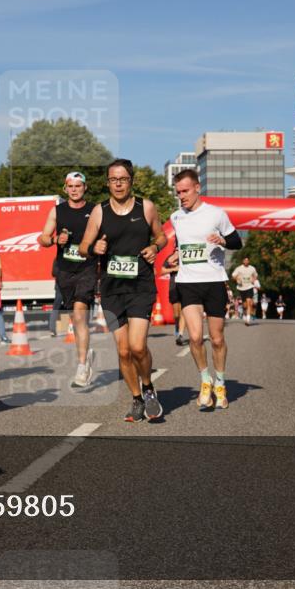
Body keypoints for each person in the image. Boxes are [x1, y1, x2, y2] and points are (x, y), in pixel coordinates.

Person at [79, 159, 167, 422]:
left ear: (131, 180)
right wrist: (94, 248)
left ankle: (149, 388)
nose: (118, 184)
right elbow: (83, 245)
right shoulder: (99, 211)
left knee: (138, 346)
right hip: (111, 289)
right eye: (113, 179)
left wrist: (155, 247)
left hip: (140, 285)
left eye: (123, 179)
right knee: (123, 351)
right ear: (108, 182)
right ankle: (137, 399)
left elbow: (161, 236)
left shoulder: (146, 207)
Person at [164, 169, 242, 412]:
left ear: (198, 188)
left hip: (214, 282)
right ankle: (205, 380)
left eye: (185, 191)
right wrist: (175, 254)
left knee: (217, 339)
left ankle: (220, 382)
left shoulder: (216, 214)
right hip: (188, 283)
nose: (181, 196)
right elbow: (180, 243)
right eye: (178, 192)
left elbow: (237, 241)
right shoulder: (176, 217)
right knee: (195, 337)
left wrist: (223, 241)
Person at [39, 172, 98, 385]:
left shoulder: (94, 210)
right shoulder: (57, 211)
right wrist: (55, 239)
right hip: (65, 271)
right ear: (66, 188)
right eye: (70, 186)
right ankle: (87, 354)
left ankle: (81, 367)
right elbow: (43, 238)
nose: (74, 189)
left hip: (87, 268)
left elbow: (105, 234)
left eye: (78, 186)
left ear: (85, 187)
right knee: (75, 317)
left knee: (80, 314)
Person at [162, 249, 188, 346]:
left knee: (183, 311)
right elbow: (162, 270)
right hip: (174, 287)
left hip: (185, 286)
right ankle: (177, 328)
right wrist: (173, 269)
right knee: (176, 314)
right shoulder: (171, 257)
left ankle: (180, 334)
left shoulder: (187, 255)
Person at [231, 257, 258, 325]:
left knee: (249, 303)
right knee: (244, 305)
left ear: (249, 261)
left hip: (249, 287)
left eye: (247, 260)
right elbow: (233, 276)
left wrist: (253, 279)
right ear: (243, 261)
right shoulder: (239, 268)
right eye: (245, 260)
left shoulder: (252, 268)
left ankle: (248, 320)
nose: (246, 261)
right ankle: (245, 315)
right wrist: (237, 279)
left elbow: (255, 276)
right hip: (241, 288)